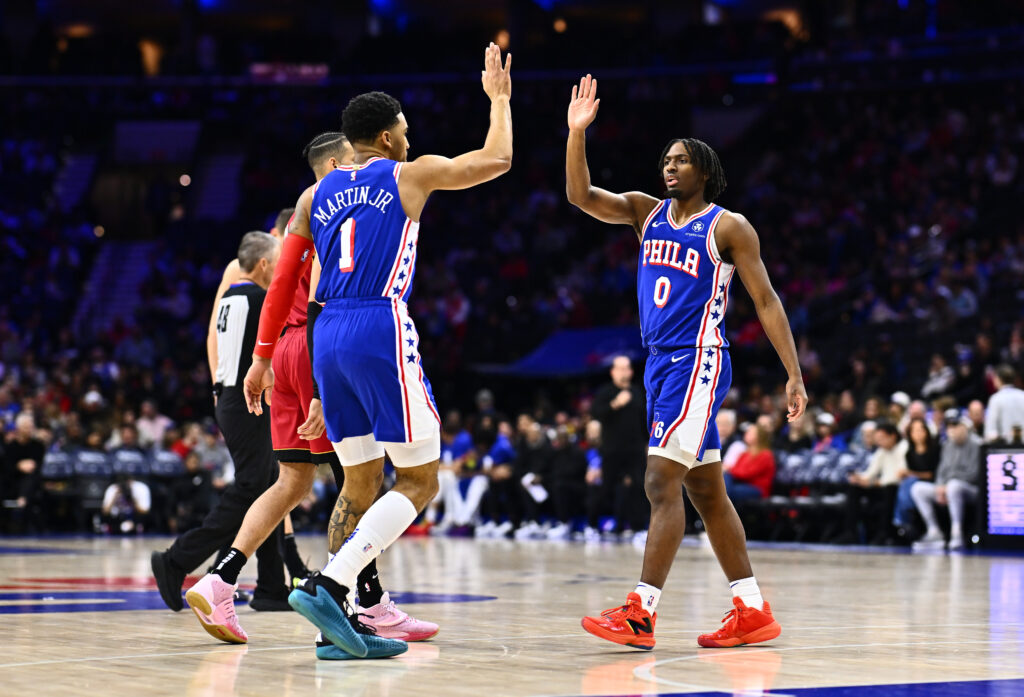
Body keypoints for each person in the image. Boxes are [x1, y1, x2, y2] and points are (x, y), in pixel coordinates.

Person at [263, 44, 512, 659]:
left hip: (326, 333)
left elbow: (289, 279)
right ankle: (329, 587)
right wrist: (499, 100)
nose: (410, 138)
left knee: (358, 482)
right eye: (405, 130)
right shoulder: (408, 174)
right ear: (385, 137)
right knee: (421, 479)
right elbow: (498, 159)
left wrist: (268, 359)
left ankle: (335, 626)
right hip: (379, 322)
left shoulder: (312, 196)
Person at [566, 74, 806, 650]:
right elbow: (580, 196)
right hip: (659, 365)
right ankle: (752, 609)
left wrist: (794, 373)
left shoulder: (728, 226)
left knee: (659, 481)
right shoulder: (644, 213)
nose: (669, 167)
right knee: (706, 492)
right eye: (666, 161)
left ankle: (640, 613)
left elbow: (766, 301)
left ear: (705, 171)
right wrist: (576, 134)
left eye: (681, 160)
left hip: (697, 361)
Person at [185, 134, 436, 652]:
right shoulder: (335, 216)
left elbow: (274, 292)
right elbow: (320, 301)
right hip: (319, 347)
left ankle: (221, 578)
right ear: (336, 163)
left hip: (283, 349)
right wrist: (320, 387)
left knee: (293, 481)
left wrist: (260, 358)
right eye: (351, 156)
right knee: (358, 480)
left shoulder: (287, 231)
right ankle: (361, 603)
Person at [151, 232, 293, 621]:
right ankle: (177, 560)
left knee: (269, 487)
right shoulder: (259, 300)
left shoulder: (229, 296)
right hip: (248, 401)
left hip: (229, 397)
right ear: (263, 264)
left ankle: (271, 587)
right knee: (252, 488)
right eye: (277, 261)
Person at [590, 355, 649, 536]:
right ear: (613, 372)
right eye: (620, 368)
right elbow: (596, 413)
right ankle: (592, 525)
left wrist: (647, 443)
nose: (624, 372)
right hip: (612, 449)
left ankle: (638, 528)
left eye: (626, 368)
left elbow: (643, 420)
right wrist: (616, 404)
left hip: (635, 449)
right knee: (606, 487)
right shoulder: (605, 392)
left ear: (631, 372)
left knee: (639, 486)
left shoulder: (638, 392)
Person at [911, 416, 982, 551]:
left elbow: (974, 474)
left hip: (970, 489)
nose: (953, 430)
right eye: (950, 426)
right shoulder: (947, 445)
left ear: (965, 426)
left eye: (956, 425)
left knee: (954, 486)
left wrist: (948, 484)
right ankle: (933, 531)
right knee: (918, 488)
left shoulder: (976, 444)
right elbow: (941, 470)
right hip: (947, 487)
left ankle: (957, 534)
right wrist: (940, 486)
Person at [843, 422, 906, 544]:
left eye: (882, 438)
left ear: (893, 436)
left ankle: (884, 533)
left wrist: (876, 482)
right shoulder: (881, 451)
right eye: (878, 439)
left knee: (889, 489)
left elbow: (899, 476)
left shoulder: (903, 448)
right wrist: (859, 478)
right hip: (882, 486)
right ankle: (850, 533)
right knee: (854, 488)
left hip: (897, 487)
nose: (879, 442)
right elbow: (870, 473)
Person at [893, 417, 939, 539]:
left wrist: (911, 473)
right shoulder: (910, 454)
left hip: (934, 483)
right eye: (914, 431)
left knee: (910, 482)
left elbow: (933, 474)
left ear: (926, 431)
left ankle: (902, 517)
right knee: (906, 482)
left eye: (920, 430)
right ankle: (907, 515)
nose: (918, 434)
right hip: (916, 484)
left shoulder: (935, 449)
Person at [723, 424, 775, 503]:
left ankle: (719, 505)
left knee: (728, 484)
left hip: (757, 488)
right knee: (725, 479)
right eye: (747, 432)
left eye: (751, 432)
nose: (746, 433)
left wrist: (729, 470)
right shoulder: (744, 453)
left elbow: (748, 473)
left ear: (759, 436)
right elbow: (737, 469)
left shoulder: (766, 455)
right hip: (741, 483)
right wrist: (729, 471)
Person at [985, 365, 1024, 444]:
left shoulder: (995, 399)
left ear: (998, 379)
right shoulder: (1022, 395)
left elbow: (991, 432)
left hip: (1003, 448)